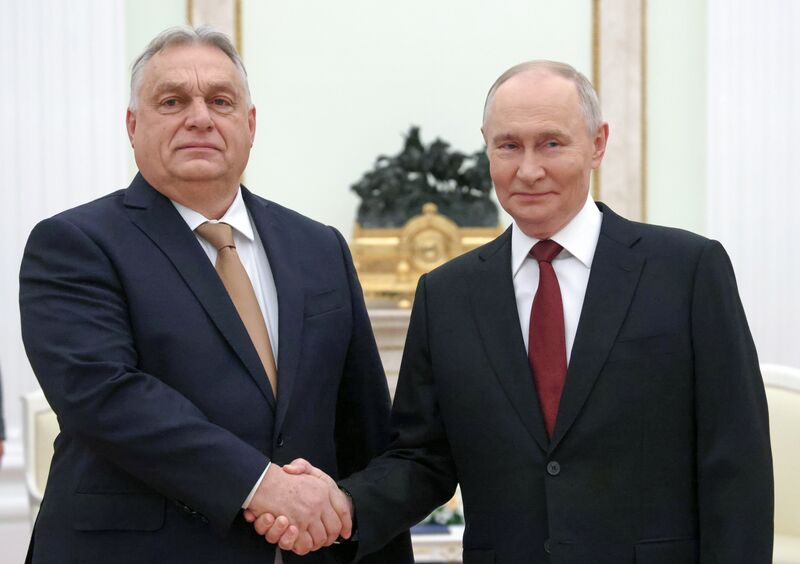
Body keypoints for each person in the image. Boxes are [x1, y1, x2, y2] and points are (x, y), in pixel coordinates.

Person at [256, 60, 774, 563]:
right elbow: (423, 458)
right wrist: (346, 504)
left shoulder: (686, 270)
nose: (528, 169)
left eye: (551, 142)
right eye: (508, 146)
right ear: (487, 149)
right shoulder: (446, 294)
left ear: (597, 143)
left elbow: (736, 462)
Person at [19, 25, 411, 564]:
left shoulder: (319, 247)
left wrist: (363, 524)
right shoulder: (74, 244)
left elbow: (362, 424)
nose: (199, 117)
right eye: (172, 100)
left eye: (220, 101)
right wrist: (264, 485)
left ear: (249, 124)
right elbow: (106, 395)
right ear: (132, 126)